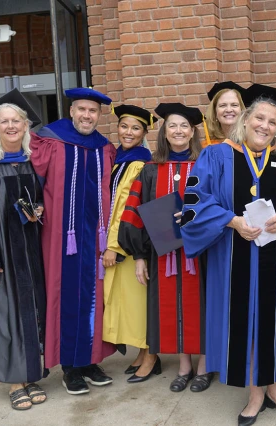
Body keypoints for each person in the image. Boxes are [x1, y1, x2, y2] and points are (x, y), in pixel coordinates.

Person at [180, 83, 276, 426]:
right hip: (232, 257)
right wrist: (231, 221)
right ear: (246, 119)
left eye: (272, 122)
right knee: (244, 320)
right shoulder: (215, 155)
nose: (264, 125)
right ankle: (255, 394)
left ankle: (275, 390)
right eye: (259, 117)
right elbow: (195, 201)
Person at [118, 103, 212, 392]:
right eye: (172, 125)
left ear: (193, 131)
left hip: (204, 253)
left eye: (184, 125)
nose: (179, 131)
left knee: (204, 305)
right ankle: (184, 365)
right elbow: (134, 213)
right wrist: (139, 256)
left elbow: (221, 205)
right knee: (175, 307)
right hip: (164, 254)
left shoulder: (207, 165)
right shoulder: (149, 170)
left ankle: (205, 366)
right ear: (164, 131)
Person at [30, 87, 116, 395]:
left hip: (96, 238)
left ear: (99, 115)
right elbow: (31, 181)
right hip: (60, 238)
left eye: (93, 111)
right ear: (71, 111)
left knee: (93, 296)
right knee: (66, 295)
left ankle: (90, 360)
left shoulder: (104, 147)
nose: (87, 115)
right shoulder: (50, 140)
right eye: (82, 109)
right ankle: (70, 366)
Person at [0, 90, 47, 410]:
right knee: (5, 315)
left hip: (30, 251)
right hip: (1, 256)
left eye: (17, 120)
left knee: (31, 312)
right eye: (4, 121)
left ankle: (30, 373)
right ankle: (14, 382)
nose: (11, 125)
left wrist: (37, 210)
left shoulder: (29, 161)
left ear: (25, 126)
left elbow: (38, 199)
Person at [101, 105, 154, 381]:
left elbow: (125, 208)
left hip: (129, 245)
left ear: (145, 133)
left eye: (135, 128)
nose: (128, 132)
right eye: (124, 126)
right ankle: (142, 353)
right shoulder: (118, 159)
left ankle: (150, 356)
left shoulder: (140, 162)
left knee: (138, 302)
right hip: (120, 243)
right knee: (129, 303)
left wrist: (115, 246)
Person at [202, 81, 247, 147]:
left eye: (234, 105)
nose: (229, 110)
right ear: (215, 112)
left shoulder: (251, 143)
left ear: (242, 110)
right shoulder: (207, 147)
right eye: (223, 105)